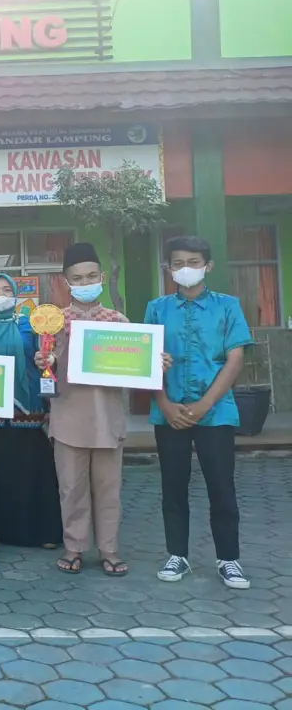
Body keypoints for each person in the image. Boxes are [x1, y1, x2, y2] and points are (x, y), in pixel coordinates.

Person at [145, 235, 252, 589]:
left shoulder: (227, 306)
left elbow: (235, 358)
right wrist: (163, 403)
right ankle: (177, 555)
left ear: (208, 265)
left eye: (193, 262)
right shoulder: (156, 308)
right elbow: (145, 360)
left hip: (217, 412)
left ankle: (229, 559)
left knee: (221, 487)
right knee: (173, 486)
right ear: (168, 268)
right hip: (169, 411)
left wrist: (205, 405)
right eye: (177, 263)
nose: (185, 269)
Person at [36, 244, 131, 576]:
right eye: (78, 278)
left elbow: (133, 365)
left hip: (108, 418)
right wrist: (45, 362)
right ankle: (74, 546)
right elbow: (48, 366)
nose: (85, 282)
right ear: (66, 281)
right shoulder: (53, 322)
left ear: (102, 278)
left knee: (108, 489)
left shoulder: (118, 321)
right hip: (68, 418)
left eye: (91, 276)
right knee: (71, 488)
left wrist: (152, 362)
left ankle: (109, 549)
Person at [0, 274, 63, 548]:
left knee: (32, 470)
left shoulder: (28, 325)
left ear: (16, 294)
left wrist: (46, 360)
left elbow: (45, 360)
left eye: (7, 289)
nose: (1, 294)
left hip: (26, 410)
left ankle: (42, 532)